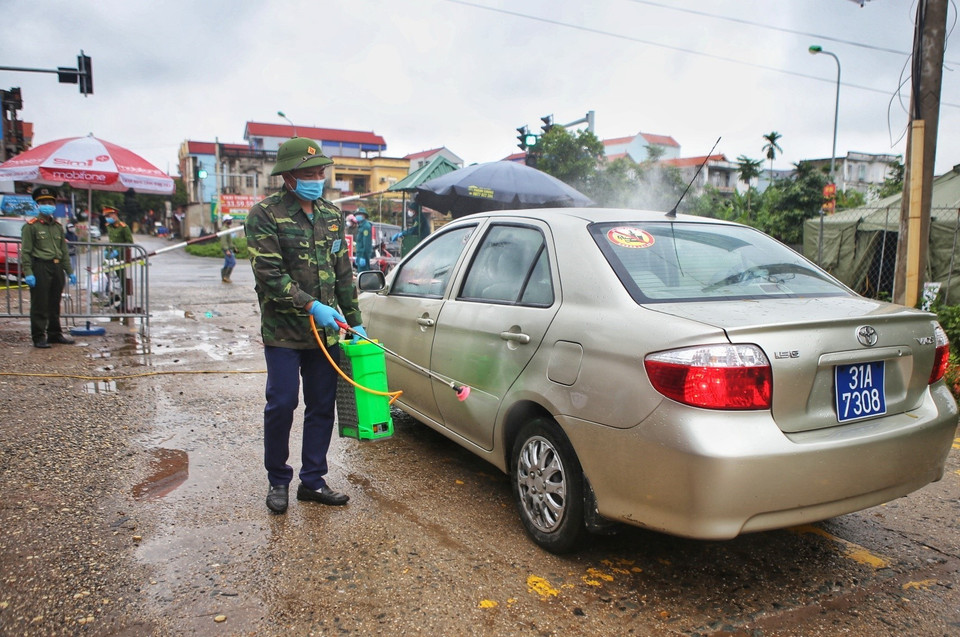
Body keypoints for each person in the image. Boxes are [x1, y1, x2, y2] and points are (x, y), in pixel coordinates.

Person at [245, 137, 368, 514]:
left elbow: (343, 272)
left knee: (321, 406)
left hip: (327, 333)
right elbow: (269, 274)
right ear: (290, 176)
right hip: (284, 331)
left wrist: (355, 322)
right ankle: (278, 481)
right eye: (311, 172)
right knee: (282, 404)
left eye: (321, 171)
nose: (319, 178)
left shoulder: (331, 215)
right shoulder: (265, 215)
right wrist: (311, 305)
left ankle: (312, 481)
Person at [21, 187, 76, 348]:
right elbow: (26, 252)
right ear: (37, 205)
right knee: (40, 303)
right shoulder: (31, 227)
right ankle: (38, 336)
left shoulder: (58, 227)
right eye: (44, 202)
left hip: (57, 267)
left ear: (54, 204)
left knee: (54, 302)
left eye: (50, 202)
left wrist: (70, 271)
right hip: (41, 267)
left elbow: (63, 252)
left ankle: (54, 333)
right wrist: (29, 272)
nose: (47, 205)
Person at [103, 206, 134, 312]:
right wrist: (107, 250)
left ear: (115, 215)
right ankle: (111, 297)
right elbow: (111, 240)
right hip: (110, 258)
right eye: (106, 216)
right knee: (107, 278)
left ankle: (124, 301)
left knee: (122, 280)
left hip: (121, 258)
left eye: (109, 215)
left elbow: (129, 242)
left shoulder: (124, 227)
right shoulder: (108, 226)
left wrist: (118, 251)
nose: (107, 218)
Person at [220, 215, 237, 283]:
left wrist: (234, 247)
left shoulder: (227, 229)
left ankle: (223, 277)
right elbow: (224, 241)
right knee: (232, 262)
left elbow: (229, 241)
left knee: (227, 263)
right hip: (226, 249)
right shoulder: (224, 230)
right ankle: (226, 277)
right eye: (229, 220)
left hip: (229, 248)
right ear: (225, 221)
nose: (230, 221)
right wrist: (227, 250)